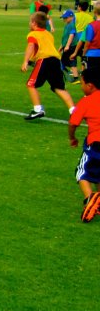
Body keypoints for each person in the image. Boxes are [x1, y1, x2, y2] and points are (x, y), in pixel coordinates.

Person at [22, 11, 74, 120]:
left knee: (31, 84)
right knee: (58, 87)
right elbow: (44, 48)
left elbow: (31, 46)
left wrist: (25, 61)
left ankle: (38, 110)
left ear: (34, 23)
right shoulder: (48, 34)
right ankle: (73, 110)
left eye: (30, 22)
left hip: (44, 60)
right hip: (56, 61)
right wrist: (32, 60)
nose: (29, 24)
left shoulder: (32, 34)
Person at [68, 67, 100, 222]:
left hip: (96, 143)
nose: (81, 87)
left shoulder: (86, 101)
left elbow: (73, 123)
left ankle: (90, 200)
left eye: (82, 83)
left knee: (81, 173)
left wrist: (72, 138)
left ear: (90, 85)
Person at [75, 3, 100, 73]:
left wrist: (84, 54)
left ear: (95, 12)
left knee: (92, 76)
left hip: (92, 54)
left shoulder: (91, 26)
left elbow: (87, 42)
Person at [59, 9, 81, 82]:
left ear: (71, 17)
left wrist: (67, 46)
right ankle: (74, 76)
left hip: (71, 46)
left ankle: (71, 75)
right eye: (63, 18)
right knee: (69, 61)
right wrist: (61, 47)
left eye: (66, 18)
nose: (64, 19)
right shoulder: (67, 25)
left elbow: (71, 35)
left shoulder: (72, 25)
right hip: (68, 46)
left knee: (67, 61)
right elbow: (65, 38)